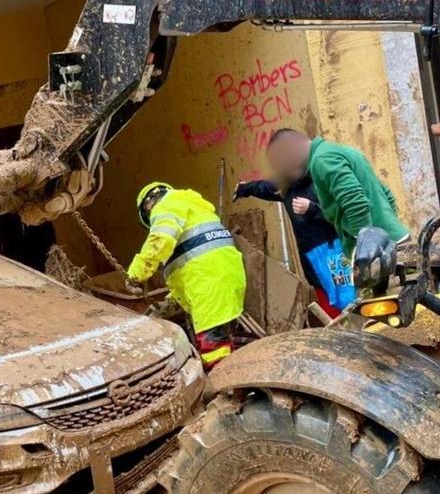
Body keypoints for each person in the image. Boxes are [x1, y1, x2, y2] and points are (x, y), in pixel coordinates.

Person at [128, 182, 246, 369]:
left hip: (208, 282)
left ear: (148, 205)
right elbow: (190, 260)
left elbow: (160, 239)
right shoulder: (191, 205)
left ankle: (225, 388)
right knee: (222, 338)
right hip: (224, 277)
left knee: (213, 348)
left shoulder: (166, 205)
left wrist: (136, 274)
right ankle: (234, 379)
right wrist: (170, 301)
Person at [266, 129, 408, 254]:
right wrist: (390, 226)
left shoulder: (321, 161)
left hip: (381, 253)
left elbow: (354, 200)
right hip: (394, 242)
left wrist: (366, 249)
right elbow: (386, 193)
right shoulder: (336, 151)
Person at [233, 176, 355, 317]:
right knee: (328, 303)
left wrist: (312, 209)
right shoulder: (288, 186)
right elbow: (267, 188)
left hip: (335, 251)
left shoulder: (320, 180)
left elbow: (342, 214)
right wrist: (245, 188)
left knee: (349, 299)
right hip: (311, 260)